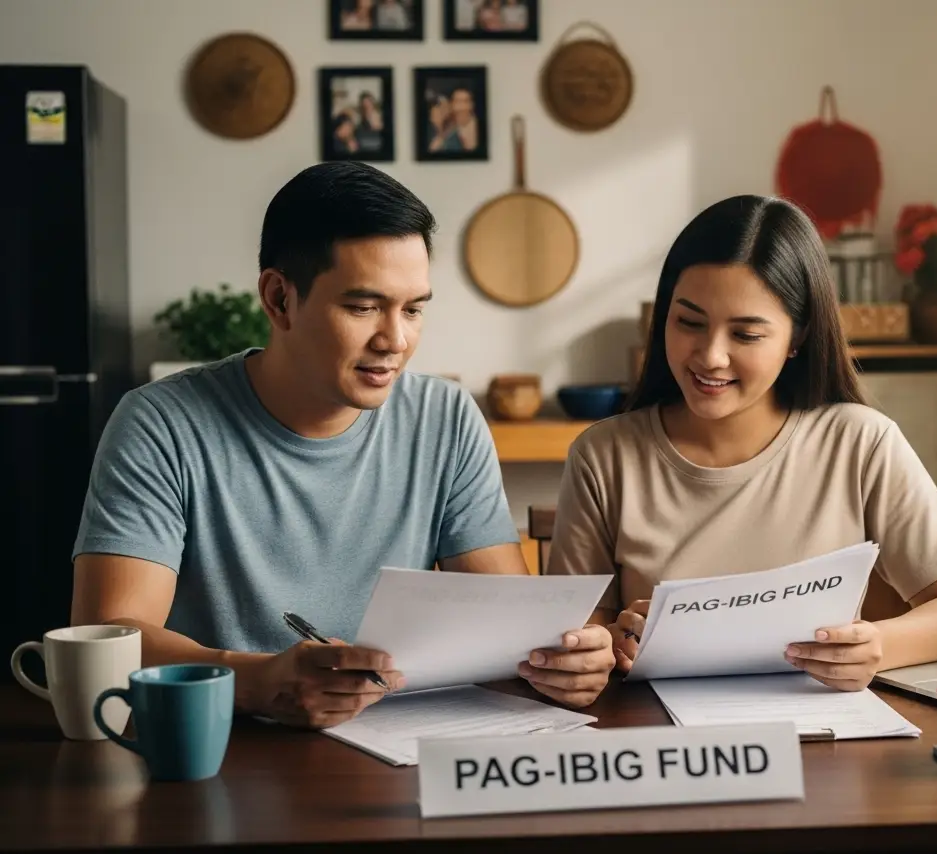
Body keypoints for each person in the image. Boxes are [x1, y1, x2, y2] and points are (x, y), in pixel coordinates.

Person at [69, 162, 614, 728]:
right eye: (363, 307)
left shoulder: (445, 418)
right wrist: (259, 683)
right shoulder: (161, 424)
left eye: (414, 308)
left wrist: (563, 658)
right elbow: (109, 642)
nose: (395, 340)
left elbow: (510, 626)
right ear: (279, 298)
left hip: (397, 751)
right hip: (220, 750)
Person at [545, 195, 937, 701]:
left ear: (796, 337)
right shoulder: (604, 456)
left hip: (829, 744)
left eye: (745, 333)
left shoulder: (861, 443)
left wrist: (878, 645)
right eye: (689, 322)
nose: (711, 355)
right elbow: (581, 641)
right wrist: (611, 645)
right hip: (667, 751)